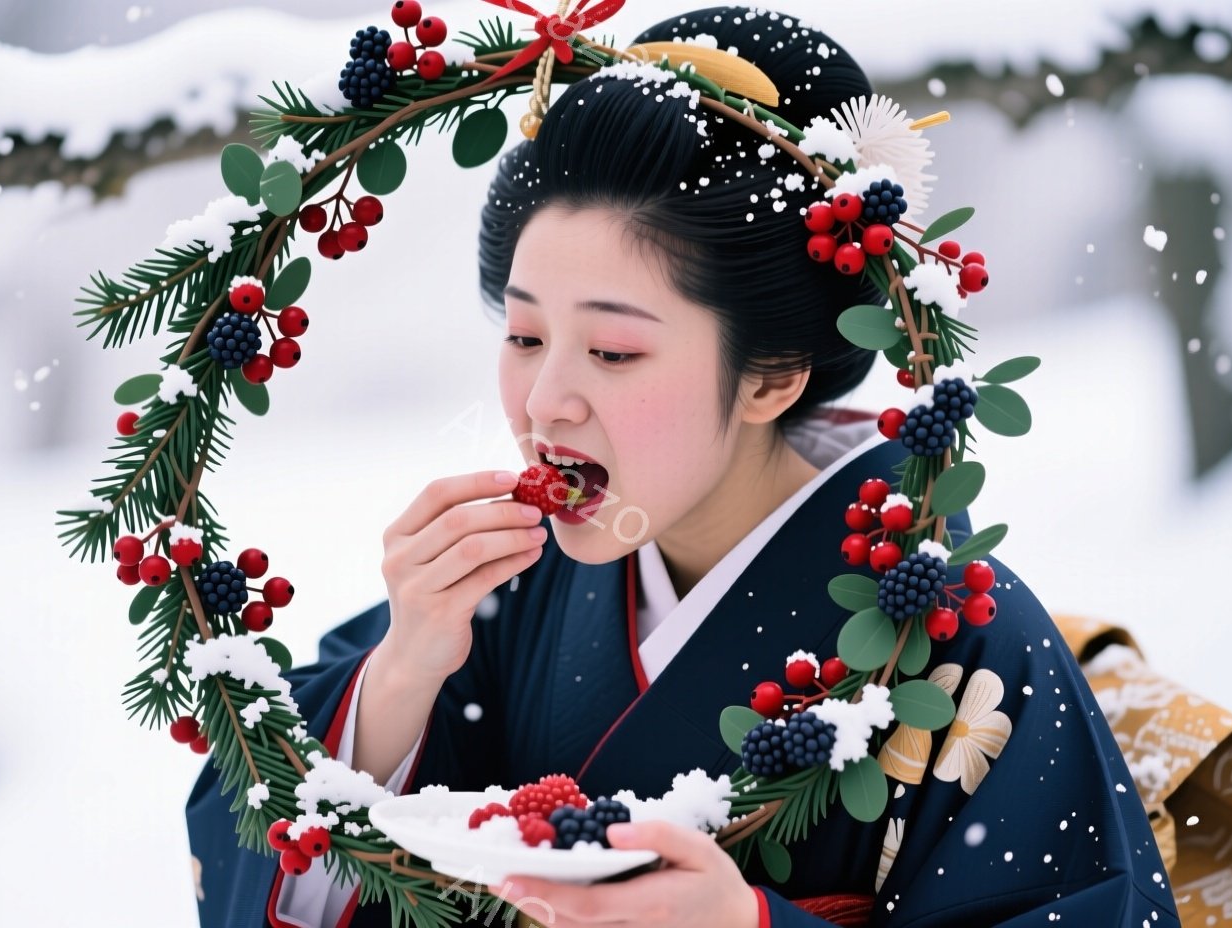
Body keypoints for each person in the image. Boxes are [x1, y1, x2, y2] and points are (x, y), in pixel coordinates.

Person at [186, 7, 1180, 927]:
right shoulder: (508, 586)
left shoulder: (963, 642)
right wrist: (399, 678)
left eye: (613, 352)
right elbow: (258, 831)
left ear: (772, 377)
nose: (544, 403)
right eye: (525, 335)